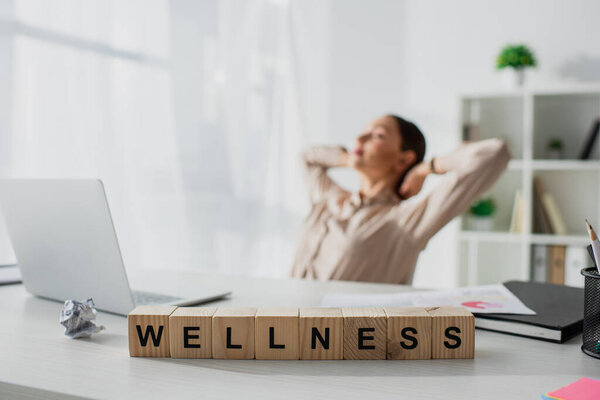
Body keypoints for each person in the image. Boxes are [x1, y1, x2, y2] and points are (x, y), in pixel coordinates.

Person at [290, 114, 510, 284]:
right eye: (362, 132)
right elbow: (306, 158)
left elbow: (495, 153)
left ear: (403, 159)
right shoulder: (328, 198)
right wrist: (348, 158)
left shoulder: (405, 222)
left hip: (340, 340)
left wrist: (425, 169)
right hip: (284, 327)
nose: (359, 139)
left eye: (377, 135)